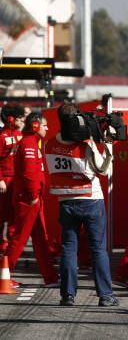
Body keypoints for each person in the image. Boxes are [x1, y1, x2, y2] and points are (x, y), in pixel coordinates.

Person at [45, 102, 118, 306]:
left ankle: (67, 295)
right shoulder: (86, 144)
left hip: (66, 200)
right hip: (91, 199)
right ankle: (105, 295)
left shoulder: (49, 143)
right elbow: (103, 170)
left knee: (69, 247)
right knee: (97, 249)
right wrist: (108, 143)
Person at [3, 112, 59, 287]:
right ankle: (4, 275)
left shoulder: (32, 142)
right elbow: (29, 174)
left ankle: (51, 278)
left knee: (41, 239)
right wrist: (34, 196)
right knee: (19, 239)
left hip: (33, 198)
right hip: (29, 199)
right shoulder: (28, 143)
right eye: (44, 125)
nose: (47, 128)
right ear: (35, 125)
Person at [0, 104, 26, 253]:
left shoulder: (20, 135)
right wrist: (0, 179)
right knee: (2, 214)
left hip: (16, 181)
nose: (22, 120)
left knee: (14, 214)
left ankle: (12, 243)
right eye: (19, 118)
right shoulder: (2, 137)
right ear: (10, 119)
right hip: (4, 181)